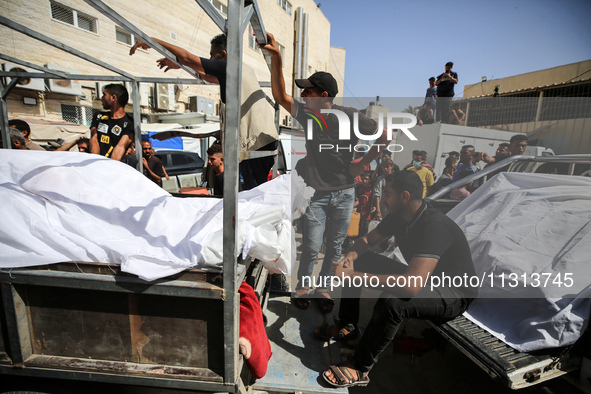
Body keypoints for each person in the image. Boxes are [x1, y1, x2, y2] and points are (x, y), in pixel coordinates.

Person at [261, 32, 392, 312]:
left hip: (345, 194)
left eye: (307, 91)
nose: (302, 95)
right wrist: (277, 57)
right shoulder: (308, 115)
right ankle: (303, 288)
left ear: (322, 96)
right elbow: (279, 95)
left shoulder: (352, 117)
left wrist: (363, 162)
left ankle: (324, 289)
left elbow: (385, 136)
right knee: (310, 246)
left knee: (334, 248)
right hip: (316, 194)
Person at [321, 171, 476, 388]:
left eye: (387, 193)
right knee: (361, 260)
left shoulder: (434, 225)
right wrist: (350, 258)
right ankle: (349, 328)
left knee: (393, 301)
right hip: (427, 280)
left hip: (454, 293)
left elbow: (411, 286)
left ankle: (360, 367)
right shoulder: (399, 217)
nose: (383, 198)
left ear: (404, 196)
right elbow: (366, 241)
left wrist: (353, 276)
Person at [130, 34, 277, 190]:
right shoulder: (243, 70)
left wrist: (152, 41)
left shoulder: (229, 66)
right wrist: (180, 65)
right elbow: (206, 76)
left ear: (224, 55)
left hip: (255, 143)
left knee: (252, 194)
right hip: (264, 140)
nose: (210, 59)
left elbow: (187, 58)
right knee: (256, 191)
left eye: (212, 55)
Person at [89, 84, 134, 161]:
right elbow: (93, 139)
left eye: (104, 95)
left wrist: (109, 168)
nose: (101, 98)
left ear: (113, 97)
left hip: (113, 165)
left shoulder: (129, 122)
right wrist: (95, 164)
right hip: (95, 163)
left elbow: (120, 147)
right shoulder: (98, 116)